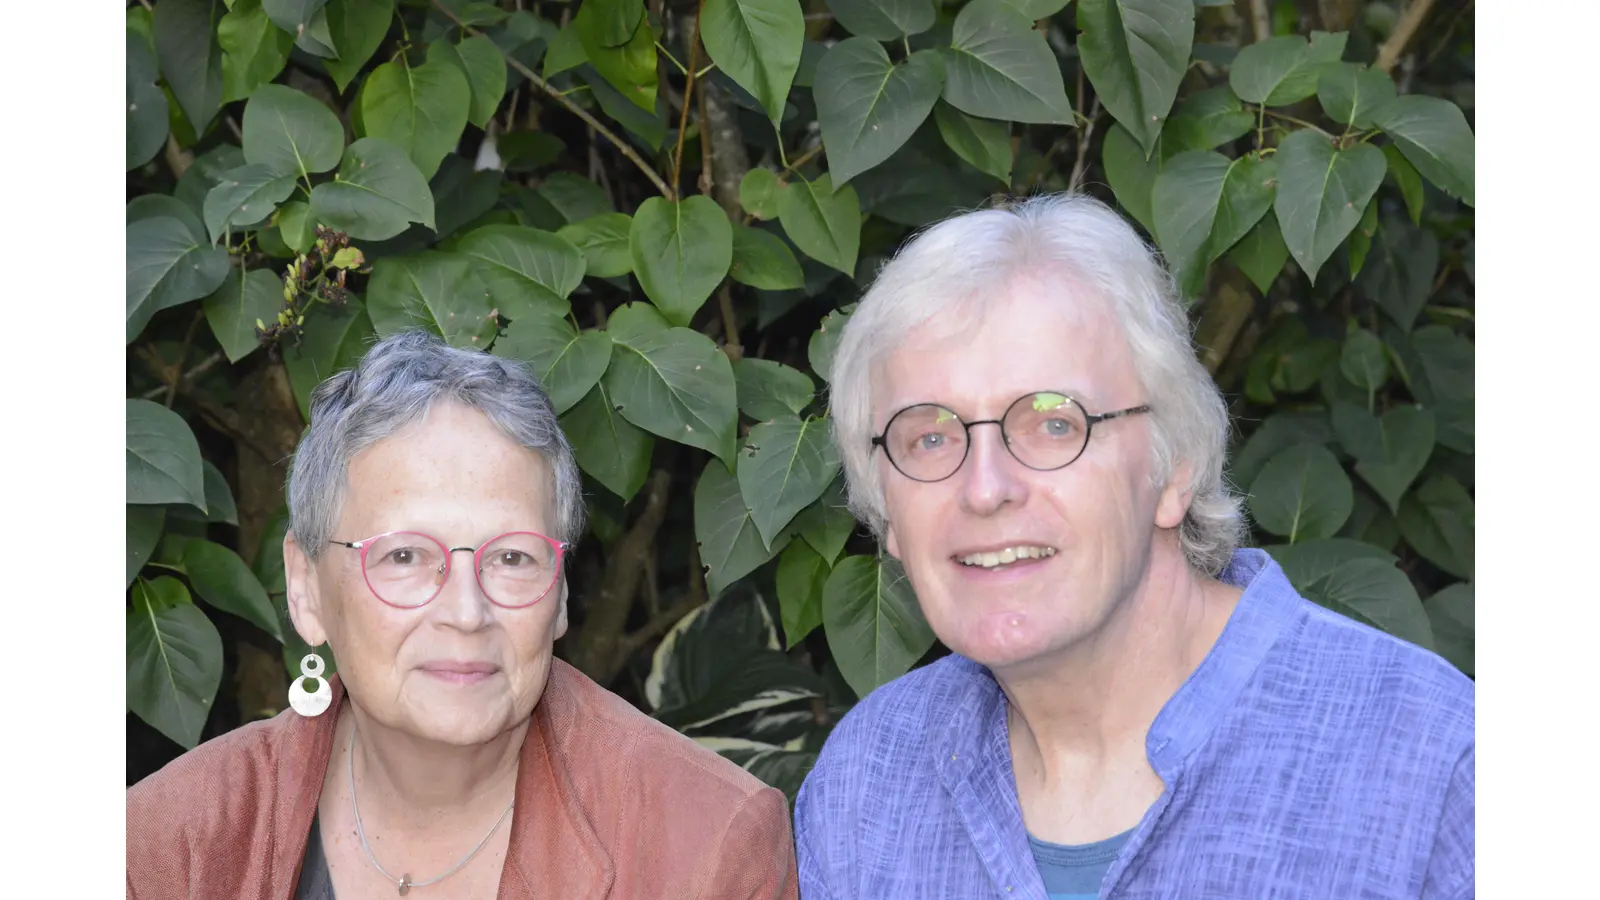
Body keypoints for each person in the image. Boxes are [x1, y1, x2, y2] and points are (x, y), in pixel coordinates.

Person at [793, 194, 1473, 899]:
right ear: (888, 513)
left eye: (1054, 424)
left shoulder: (1431, 767)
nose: (985, 488)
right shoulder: (865, 786)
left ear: (1173, 463)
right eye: (929, 437)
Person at [127, 331, 798, 899]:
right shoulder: (166, 843)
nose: (467, 613)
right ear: (304, 588)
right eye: (405, 557)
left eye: (512, 559)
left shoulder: (706, 845)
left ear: (561, 591)